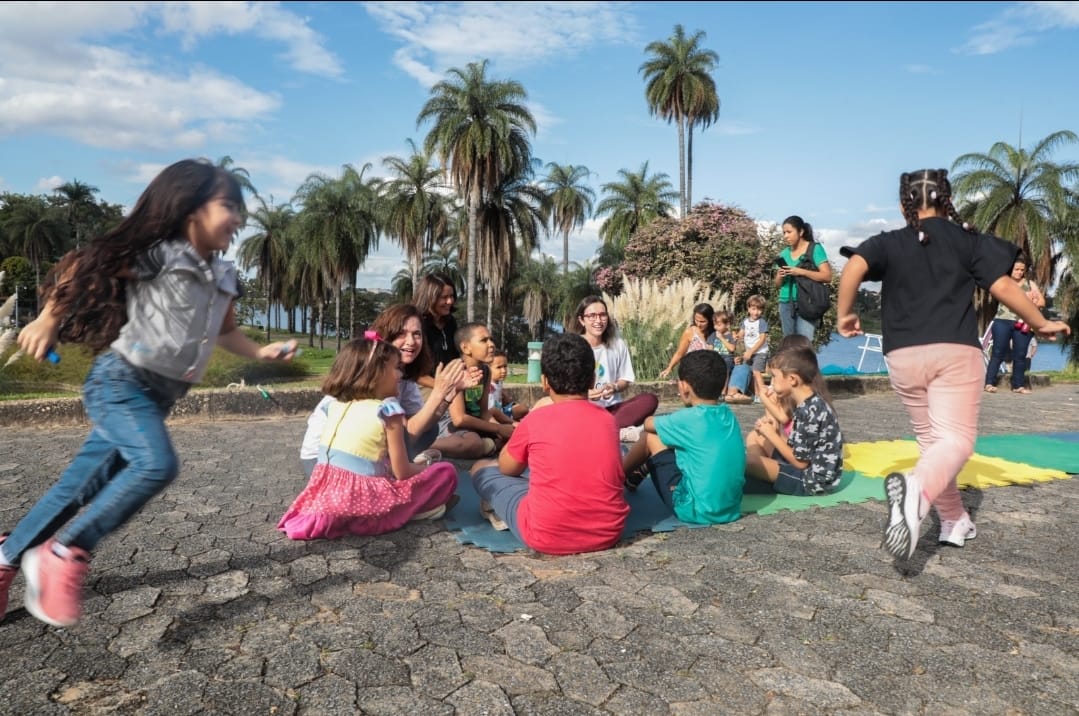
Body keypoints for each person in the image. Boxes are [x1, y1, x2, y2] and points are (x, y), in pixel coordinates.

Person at [0, 159, 300, 628]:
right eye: (227, 205)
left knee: (80, 487)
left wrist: (262, 350)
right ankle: (63, 550)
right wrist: (47, 319)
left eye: (240, 209)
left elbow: (226, 334)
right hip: (120, 381)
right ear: (190, 210)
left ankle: (7, 555)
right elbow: (83, 265)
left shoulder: (222, 275)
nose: (238, 218)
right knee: (156, 464)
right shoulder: (159, 253)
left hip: (158, 397)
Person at [836, 168, 1070, 560]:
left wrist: (845, 313)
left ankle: (953, 519)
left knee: (933, 443)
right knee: (957, 441)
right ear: (947, 201)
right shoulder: (967, 241)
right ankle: (916, 491)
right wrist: (1041, 321)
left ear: (903, 205)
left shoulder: (890, 242)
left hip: (902, 356)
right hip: (954, 353)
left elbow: (856, 264)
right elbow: (1004, 287)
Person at [278, 336, 459, 540]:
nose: (400, 374)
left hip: (324, 495)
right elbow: (402, 472)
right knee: (445, 471)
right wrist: (426, 469)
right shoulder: (388, 411)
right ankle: (407, 510)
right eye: (396, 368)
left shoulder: (335, 405)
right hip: (364, 500)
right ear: (376, 373)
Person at [469, 333, 629, 555]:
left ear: (545, 382)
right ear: (592, 379)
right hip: (608, 532)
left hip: (545, 535)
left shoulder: (536, 419)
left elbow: (507, 468)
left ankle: (496, 509)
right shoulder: (608, 421)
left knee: (481, 469)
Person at [298, 304, 472, 477]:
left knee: (430, 429)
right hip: (324, 460)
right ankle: (393, 478)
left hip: (360, 456)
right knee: (437, 473)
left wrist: (449, 395)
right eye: (401, 334)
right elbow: (408, 434)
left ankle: (395, 471)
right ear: (386, 337)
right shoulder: (372, 375)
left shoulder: (403, 374)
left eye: (417, 334)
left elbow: (419, 424)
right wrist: (438, 393)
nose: (411, 341)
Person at [622, 350, 745, 525]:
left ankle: (614, 478)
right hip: (731, 508)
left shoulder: (689, 419)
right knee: (674, 438)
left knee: (651, 437)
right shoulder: (727, 414)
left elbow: (648, 423)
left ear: (684, 386)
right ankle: (636, 475)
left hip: (694, 509)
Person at [744, 346, 844, 496]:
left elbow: (801, 463)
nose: (771, 382)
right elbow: (796, 445)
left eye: (774, 376)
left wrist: (771, 435)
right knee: (755, 437)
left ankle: (762, 476)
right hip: (801, 467)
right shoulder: (808, 402)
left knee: (747, 462)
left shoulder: (810, 410)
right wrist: (775, 431)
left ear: (792, 379)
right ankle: (764, 473)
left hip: (812, 481)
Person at [571, 296, 659, 433]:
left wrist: (615, 387)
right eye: (592, 316)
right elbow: (565, 389)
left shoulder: (617, 344)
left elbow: (625, 379)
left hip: (612, 409)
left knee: (649, 400)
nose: (598, 321)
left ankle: (602, 429)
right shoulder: (572, 347)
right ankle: (611, 429)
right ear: (582, 320)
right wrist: (586, 394)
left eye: (602, 315)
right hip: (583, 407)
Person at [436, 322, 512, 458]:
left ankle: (488, 445)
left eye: (491, 339)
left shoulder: (486, 371)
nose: (491, 345)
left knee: (511, 437)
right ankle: (426, 446)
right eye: (484, 340)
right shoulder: (456, 370)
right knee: (473, 444)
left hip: (474, 423)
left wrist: (503, 430)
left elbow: (484, 412)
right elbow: (459, 419)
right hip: (450, 425)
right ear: (466, 348)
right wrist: (498, 428)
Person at [984, 257, 1045, 395]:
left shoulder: (1030, 283)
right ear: (1010, 268)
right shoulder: (1003, 282)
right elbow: (1005, 297)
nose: (1019, 272)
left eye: (1022, 270)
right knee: (998, 352)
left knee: (1020, 354)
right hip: (1002, 321)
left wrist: (1033, 301)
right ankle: (989, 383)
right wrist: (1026, 297)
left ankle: (1018, 385)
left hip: (1023, 323)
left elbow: (1041, 302)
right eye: (1016, 269)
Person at [757, 334, 833, 438]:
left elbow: (783, 418)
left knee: (755, 439)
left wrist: (764, 398)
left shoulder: (797, 394)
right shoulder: (814, 385)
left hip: (794, 441)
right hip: (796, 439)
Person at [775, 215, 833, 340]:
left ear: (801, 231)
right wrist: (779, 276)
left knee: (804, 345)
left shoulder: (815, 249)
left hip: (807, 302)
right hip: (785, 302)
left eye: (789, 232)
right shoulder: (784, 253)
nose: (785, 236)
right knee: (788, 345)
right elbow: (778, 285)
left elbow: (827, 276)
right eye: (784, 232)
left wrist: (800, 271)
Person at [413, 273, 460, 389]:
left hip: (448, 384)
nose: (449, 301)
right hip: (421, 386)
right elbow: (413, 372)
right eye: (444, 297)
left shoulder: (450, 322)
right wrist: (443, 388)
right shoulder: (417, 324)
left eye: (452, 296)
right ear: (429, 298)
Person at [658, 303, 715, 379]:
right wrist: (669, 368)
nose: (698, 324)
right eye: (696, 320)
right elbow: (679, 353)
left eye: (702, 322)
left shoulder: (716, 334)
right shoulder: (690, 332)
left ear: (710, 320)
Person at [740, 295, 771, 402]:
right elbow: (741, 333)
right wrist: (737, 335)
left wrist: (751, 351)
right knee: (746, 371)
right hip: (749, 352)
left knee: (756, 372)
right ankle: (753, 393)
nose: (756, 312)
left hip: (760, 352)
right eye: (753, 309)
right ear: (748, 309)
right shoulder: (745, 321)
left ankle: (762, 394)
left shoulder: (761, 322)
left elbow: (762, 339)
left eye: (759, 309)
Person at [488, 349, 528, 423]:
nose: (503, 371)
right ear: (488, 369)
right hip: (493, 415)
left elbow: (506, 399)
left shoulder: (499, 382)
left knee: (523, 408)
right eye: (499, 367)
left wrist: (512, 403)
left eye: (505, 366)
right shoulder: (488, 386)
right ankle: (512, 422)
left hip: (501, 411)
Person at [711, 310, 738, 395]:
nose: (716, 327)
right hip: (716, 357)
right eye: (714, 325)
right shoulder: (713, 335)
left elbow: (732, 349)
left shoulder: (731, 336)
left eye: (718, 325)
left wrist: (722, 338)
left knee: (725, 366)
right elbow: (710, 347)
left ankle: (723, 391)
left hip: (727, 358)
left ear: (727, 324)